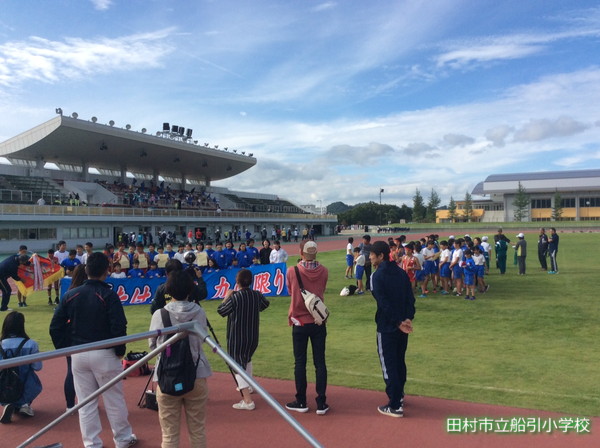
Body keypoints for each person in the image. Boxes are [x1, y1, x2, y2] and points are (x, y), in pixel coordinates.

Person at [49, 252, 137, 448]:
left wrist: (66, 349)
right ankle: (123, 439)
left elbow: (55, 327)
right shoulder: (108, 294)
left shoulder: (70, 295)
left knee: (86, 402)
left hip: (79, 353)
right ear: (107, 270)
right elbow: (119, 326)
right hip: (104, 353)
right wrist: (119, 350)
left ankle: (91, 443)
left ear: (86, 269)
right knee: (114, 399)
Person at [149, 270, 212, 448]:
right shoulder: (199, 312)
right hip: (197, 373)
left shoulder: (159, 314)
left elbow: (153, 345)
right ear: (190, 289)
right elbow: (202, 339)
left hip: (167, 375)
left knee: (169, 435)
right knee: (198, 430)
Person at [369, 241, 415, 418]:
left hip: (388, 326)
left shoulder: (376, 276)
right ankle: (399, 395)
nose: (370, 258)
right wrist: (408, 318)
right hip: (402, 325)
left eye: (372, 255)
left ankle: (395, 404)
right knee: (399, 361)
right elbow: (409, 298)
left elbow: (383, 303)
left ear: (381, 256)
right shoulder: (401, 272)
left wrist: (398, 321)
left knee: (389, 365)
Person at [285, 241, 329, 415]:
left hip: (299, 321)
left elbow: (291, 291)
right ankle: (321, 402)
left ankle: (301, 400)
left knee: (300, 362)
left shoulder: (292, 271)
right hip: (318, 321)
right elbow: (322, 289)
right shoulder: (324, 271)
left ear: (301, 253)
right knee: (320, 362)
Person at [217, 269, 270, 410]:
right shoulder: (256, 295)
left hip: (237, 336)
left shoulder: (235, 297)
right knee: (247, 359)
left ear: (237, 281)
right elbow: (265, 304)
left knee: (236, 365)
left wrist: (226, 297)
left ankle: (247, 400)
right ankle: (249, 385)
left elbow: (221, 310)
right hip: (252, 335)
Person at [0, 311, 42, 423]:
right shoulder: (31, 344)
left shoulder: (1, 344)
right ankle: (24, 404)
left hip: (3, 383)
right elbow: (37, 366)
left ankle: (7, 403)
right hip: (25, 382)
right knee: (31, 378)